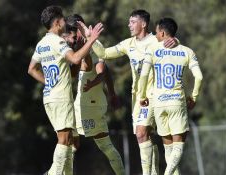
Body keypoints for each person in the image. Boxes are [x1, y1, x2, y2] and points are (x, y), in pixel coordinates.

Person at [81, 9, 178, 175]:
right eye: (129, 21)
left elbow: (173, 43)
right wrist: (92, 38)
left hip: (155, 96)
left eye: (133, 22)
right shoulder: (128, 44)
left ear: (144, 24)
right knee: (146, 136)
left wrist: (175, 40)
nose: (129, 25)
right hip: (138, 98)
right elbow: (104, 53)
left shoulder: (156, 40)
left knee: (142, 134)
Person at [27, 5, 103, 175]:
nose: (63, 22)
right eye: (62, 19)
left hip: (49, 97)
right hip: (61, 98)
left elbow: (31, 69)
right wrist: (91, 40)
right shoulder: (58, 41)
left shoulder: (42, 44)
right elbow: (75, 59)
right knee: (65, 140)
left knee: (69, 142)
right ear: (57, 23)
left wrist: (48, 83)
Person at [138, 18, 203, 175]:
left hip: (158, 104)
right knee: (178, 146)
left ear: (162, 32)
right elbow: (199, 77)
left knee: (168, 148)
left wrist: (142, 96)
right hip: (176, 102)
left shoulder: (152, 50)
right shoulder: (187, 51)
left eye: (157, 32)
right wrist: (193, 96)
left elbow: (144, 75)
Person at [62, 14, 125, 175]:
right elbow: (105, 70)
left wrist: (94, 83)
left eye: (72, 34)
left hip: (86, 104)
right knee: (105, 146)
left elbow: (94, 70)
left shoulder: (85, 49)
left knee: (70, 145)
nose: (71, 39)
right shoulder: (96, 46)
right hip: (95, 102)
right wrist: (112, 95)